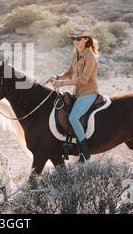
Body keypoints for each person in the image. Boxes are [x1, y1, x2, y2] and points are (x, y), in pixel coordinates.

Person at [51, 24, 100, 162]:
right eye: (73, 38)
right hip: (78, 93)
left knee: (73, 118)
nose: (75, 41)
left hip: (89, 93)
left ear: (86, 39)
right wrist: (57, 77)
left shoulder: (90, 57)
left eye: (78, 39)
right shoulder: (76, 53)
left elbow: (84, 80)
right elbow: (69, 73)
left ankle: (84, 152)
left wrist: (64, 83)